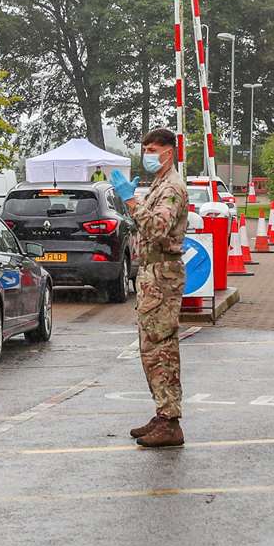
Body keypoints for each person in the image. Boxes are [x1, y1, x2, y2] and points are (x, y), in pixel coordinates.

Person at [125, 128, 190, 448]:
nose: (148, 155)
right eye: (145, 149)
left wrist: (131, 203)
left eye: (153, 149)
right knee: (151, 348)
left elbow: (160, 229)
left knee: (161, 347)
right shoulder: (159, 185)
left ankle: (170, 420)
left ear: (169, 151)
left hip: (163, 273)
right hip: (153, 273)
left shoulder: (172, 188)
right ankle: (163, 412)